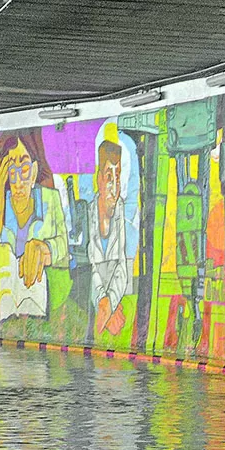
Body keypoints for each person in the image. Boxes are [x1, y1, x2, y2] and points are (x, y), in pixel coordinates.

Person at [0, 130, 67, 323]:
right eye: (11, 170)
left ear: (34, 170)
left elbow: (64, 249)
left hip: (41, 312)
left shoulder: (49, 200)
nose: (18, 181)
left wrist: (44, 249)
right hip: (8, 317)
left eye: (24, 168)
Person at [87, 138, 130, 336]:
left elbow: (121, 266)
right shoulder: (88, 214)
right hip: (91, 295)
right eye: (109, 176)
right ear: (99, 180)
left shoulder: (120, 211)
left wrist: (109, 303)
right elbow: (91, 269)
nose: (114, 186)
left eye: (118, 176)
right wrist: (103, 305)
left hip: (108, 299)